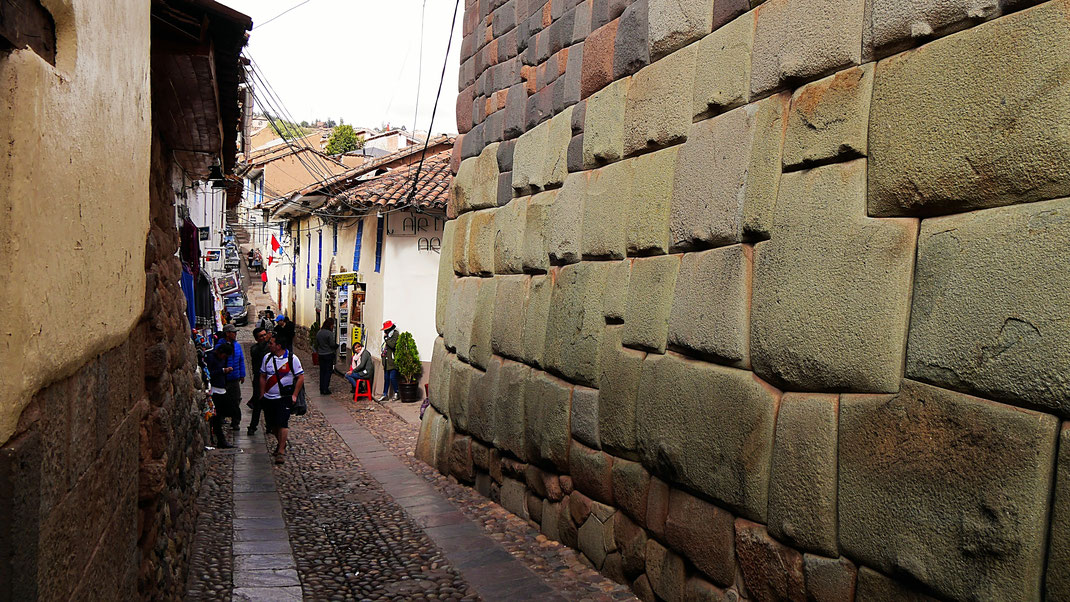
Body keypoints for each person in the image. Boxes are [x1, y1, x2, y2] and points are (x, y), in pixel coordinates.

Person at [259, 334, 304, 464]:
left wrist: (294, 395)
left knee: (283, 423)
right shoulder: (267, 358)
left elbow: (300, 377)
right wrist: (262, 393)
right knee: (272, 426)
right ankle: (281, 444)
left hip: (284, 397)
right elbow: (262, 376)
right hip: (269, 398)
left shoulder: (292, 359)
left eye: (271, 343)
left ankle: (281, 451)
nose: (269, 345)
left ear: (278, 346)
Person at [204, 341, 235, 448]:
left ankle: (219, 438)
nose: (224, 358)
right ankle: (220, 440)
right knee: (216, 417)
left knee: (223, 413)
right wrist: (222, 370)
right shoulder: (211, 357)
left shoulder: (221, 359)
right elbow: (209, 373)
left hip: (221, 388)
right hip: (214, 390)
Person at [220, 324, 246, 430]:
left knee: (236, 400)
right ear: (227, 333)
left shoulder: (237, 345)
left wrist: (242, 374)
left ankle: (236, 422)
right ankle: (221, 417)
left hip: (234, 377)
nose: (235, 334)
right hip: (224, 378)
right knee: (223, 399)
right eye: (233, 332)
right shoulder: (220, 345)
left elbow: (241, 360)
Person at [246, 327, 271, 435]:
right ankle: (253, 426)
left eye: (265, 335)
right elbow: (260, 353)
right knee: (258, 403)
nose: (264, 337)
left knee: (269, 404)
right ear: (257, 339)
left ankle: (269, 425)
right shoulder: (255, 349)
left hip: (269, 379)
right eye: (261, 336)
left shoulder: (269, 347)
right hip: (258, 379)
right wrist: (265, 342)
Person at [314, 318, 337, 395]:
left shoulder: (319, 332)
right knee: (328, 372)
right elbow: (332, 344)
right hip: (328, 354)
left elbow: (316, 344)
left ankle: (321, 388)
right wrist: (336, 346)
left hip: (321, 354)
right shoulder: (329, 333)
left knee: (322, 371)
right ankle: (325, 389)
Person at [379, 321, 399, 401]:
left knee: (392, 377)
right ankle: (385, 394)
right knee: (386, 378)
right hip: (386, 361)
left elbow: (392, 345)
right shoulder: (388, 336)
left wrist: (386, 338)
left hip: (392, 360)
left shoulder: (395, 334)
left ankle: (396, 392)